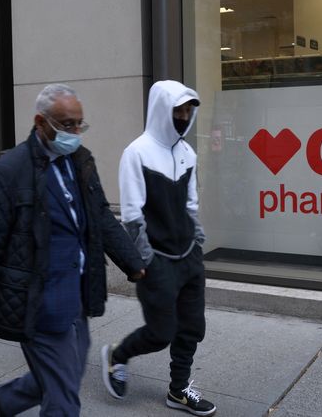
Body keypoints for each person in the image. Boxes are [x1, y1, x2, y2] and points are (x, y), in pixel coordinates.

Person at [0, 83, 145, 417]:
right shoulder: (7, 173)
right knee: (64, 400)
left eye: (79, 124)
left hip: (78, 295)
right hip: (38, 302)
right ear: (40, 122)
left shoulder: (80, 161)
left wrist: (133, 262)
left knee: (69, 371)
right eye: (66, 124)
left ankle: (8, 399)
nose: (74, 133)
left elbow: (101, 216)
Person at [101, 80, 216, 416]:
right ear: (161, 110)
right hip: (157, 259)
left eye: (188, 111)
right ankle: (117, 356)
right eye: (177, 111)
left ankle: (178, 390)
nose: (183, 117)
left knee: (192, 327)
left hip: (189, 256)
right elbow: (132, 214)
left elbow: (191, 204)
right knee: (161, 332)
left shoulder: (187, 153)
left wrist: (197, 242)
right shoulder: (137, 152)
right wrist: (145, 260)